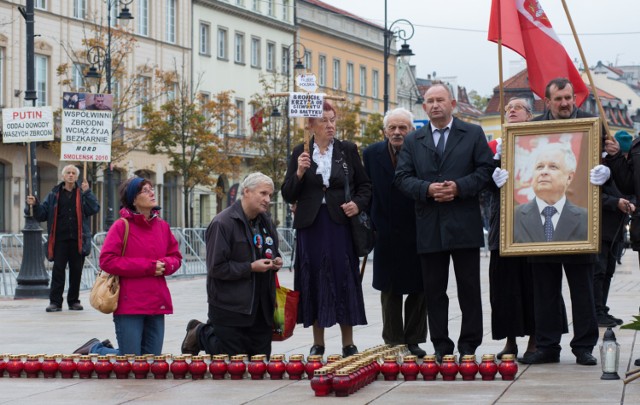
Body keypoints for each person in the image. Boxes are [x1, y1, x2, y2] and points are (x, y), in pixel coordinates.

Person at [509, 78, 610, 366]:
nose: (565, 103)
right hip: (540, 229)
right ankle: (547, 346)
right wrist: (501, 166)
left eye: (569, 98)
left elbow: (613, 168)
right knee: (544, 291)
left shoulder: (592, 125)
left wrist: (608, 169)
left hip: (579, 225)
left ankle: (583, 347)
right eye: (559, 99)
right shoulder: (531, 130)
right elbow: (516, 163)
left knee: (583, 290)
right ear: (548, 100)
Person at [394, 83, 494, 361]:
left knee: (469, 288)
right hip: (429, 223)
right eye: (430, 101)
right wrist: (427, 189)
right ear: (424, 107)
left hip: (464, 222)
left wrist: (459, 187)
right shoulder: (414, 140)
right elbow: (402, 177)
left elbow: (486, 170)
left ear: (452, 104)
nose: (435, 105)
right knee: (434, 291)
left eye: (440, 100)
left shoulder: (472, 133)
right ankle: (441, 344)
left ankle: (469, 344)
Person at [281, 101, 371, 358]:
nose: (330, 125)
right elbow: (288, 193)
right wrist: (298, 172)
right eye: (324, 120)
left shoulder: (347, 150)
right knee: (313, 279)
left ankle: (348, 343)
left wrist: (357, 203)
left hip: (340, 222)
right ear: (311, 124)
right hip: (311, 225)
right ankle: (317, 342)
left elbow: (365, 186)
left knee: (344, 277)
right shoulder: (301, 150)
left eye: (333, 120)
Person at [73, 176, 182, 356]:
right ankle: (96, 349)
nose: (152, 193)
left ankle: (98, 349)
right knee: (130, 359)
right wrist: (149, 267)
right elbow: (107, 260)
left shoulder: (162, 226)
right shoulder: (121, 226)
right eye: (145, 190)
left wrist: (167, 265)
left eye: (151, 188)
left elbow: (176, 256)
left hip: (156, 302)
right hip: (130, 303)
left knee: (152, 361)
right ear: (133, 199)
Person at [180, 172, 282, 358]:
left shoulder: (265, 221)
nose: (268, 199)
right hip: (230, 307)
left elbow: (271, 250)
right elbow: (216, 267)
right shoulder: (223, 223)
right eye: (263, 193)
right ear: (246, 192)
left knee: (260, 362)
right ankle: (200, 333)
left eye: (270, 195)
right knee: (232, 360)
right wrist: (250, 267)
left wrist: (276, 261)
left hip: (262, 307)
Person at [362, 108, 428, 358]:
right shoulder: (371, 154)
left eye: (403, 128)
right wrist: (369, 225)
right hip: (385, 232)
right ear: (385, 131)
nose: (398, 132)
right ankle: (392, 339)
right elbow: (366, 189)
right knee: (389, 290)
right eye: (393, 128)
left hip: (417, 230)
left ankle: (414, 339)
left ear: (412, 130)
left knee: (418, 288)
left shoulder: (422, 152)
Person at [487, 98, 539, 359]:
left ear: (529, 116)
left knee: (532, 283)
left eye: (517, 108)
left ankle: (534, 339)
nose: (511, 111)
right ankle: (510, 340)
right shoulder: (494, 147)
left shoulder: (539, 142)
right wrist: (492, 173)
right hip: (503, 225)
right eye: (507, 109)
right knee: (504, 284)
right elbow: (481, 183)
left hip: (533, 224)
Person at [26, 165, 100, 312]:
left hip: (78, 239)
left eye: (73, 173)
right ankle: (55, 302)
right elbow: (41, 214)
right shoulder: (54, 194)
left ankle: (73, 301)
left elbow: (94, 209)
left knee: (76, 271)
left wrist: (88, 192)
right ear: (63, 176)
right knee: (58, 271)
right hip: (59, 239)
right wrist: (33, 205)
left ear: (77, 177)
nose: (71, 175)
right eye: (68, 173)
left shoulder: (82, 193)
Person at [513, 142, 588, 243]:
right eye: (539, 167)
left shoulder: (587, 219)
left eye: (553, 167)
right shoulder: (513, 216)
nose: (543, 172)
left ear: (569, 177)